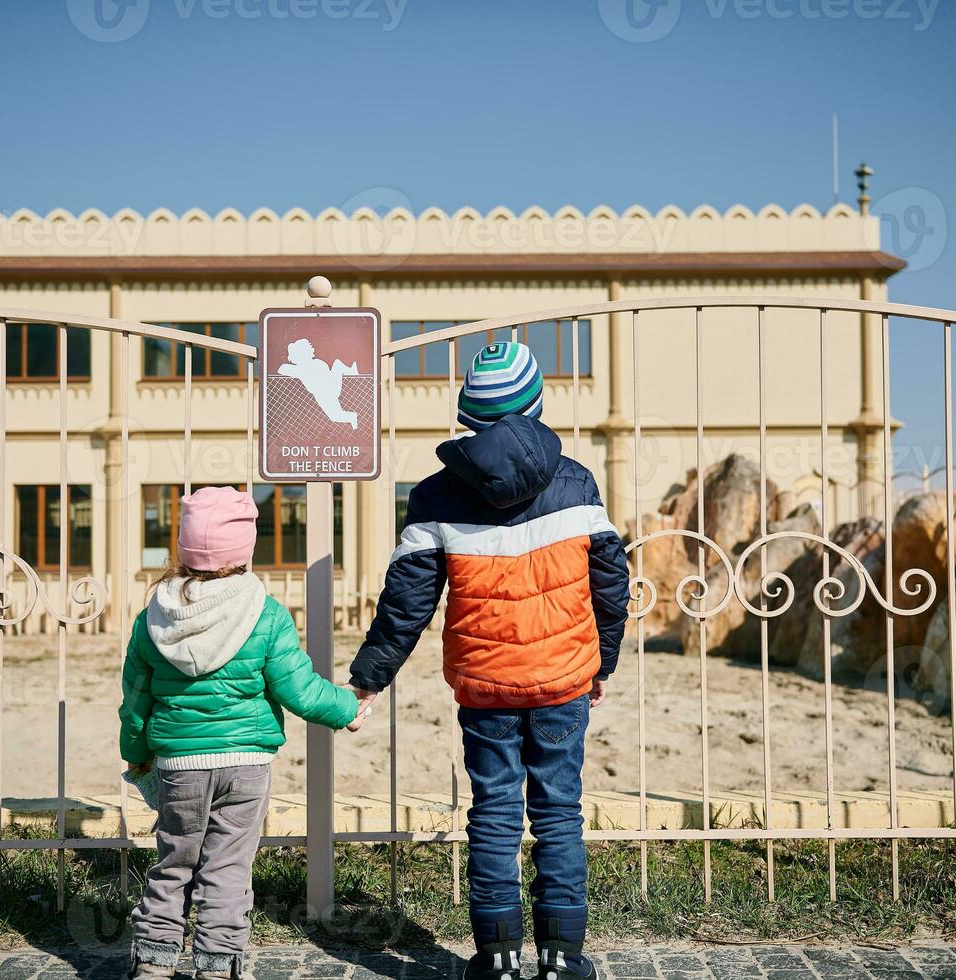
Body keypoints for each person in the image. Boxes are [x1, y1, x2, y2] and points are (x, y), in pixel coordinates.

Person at [349, 341, 630, 980]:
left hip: (485, 688)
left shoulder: (434, 498)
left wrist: (369, 678)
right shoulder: (576, 481)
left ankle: (497, 958)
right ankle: (561, 959)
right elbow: (610, 581)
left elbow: (407, 600)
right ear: (535, 408)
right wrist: (600, 664)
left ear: (468, 419)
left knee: (495, 814)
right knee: (558, 813)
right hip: (563, 678)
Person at [119, 486, 365, 980]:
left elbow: (136, 703)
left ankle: (153, 962)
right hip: (245, 763)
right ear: (244, 549)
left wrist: (137, 755)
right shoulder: (264, 613)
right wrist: (346, 708)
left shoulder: (153, 618)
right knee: (228, 865)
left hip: (178, 765)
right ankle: (217, 964)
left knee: (173, 860)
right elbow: (298, 688)